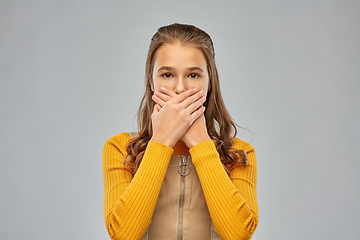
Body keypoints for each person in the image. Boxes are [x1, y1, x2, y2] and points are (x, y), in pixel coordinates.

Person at [102, 23, 259, 240]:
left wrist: (201, 143)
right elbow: (123, 235)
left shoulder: (240, 152)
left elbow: (238, 234)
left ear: (209, 83)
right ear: (151, 83)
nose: (179, 88)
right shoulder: (120, 148)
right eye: (167, 75)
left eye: (193, 75)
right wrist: (162, 140)